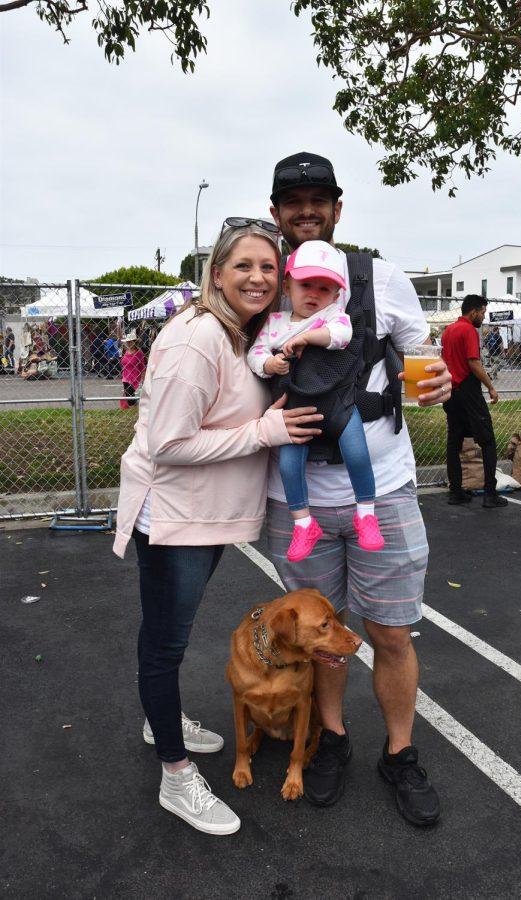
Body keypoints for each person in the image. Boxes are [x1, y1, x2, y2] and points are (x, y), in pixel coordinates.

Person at [112, 221, 323, 835]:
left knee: (167, 636)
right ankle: (175, 776)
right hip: (174, 517)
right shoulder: (196, 337)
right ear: (216, 274)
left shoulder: (240, 337)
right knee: (165, 645)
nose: (258, 278)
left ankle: (162, 720)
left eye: (268, 267)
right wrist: (265, 431)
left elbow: (226, 412)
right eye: (243, 267)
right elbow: (170, 443)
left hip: (202, 516)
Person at [265, 152, 452, 825]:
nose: (307, 209)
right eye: (294, 200)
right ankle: (332, 740)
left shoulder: (382, 278)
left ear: (339, 209)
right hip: (300, 502)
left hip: (387, 489)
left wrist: (441, 383)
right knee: (322, 638)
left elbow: (422, 363)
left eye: (320, 198)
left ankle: (399, 753)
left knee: (393, 634)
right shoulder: (267, 286)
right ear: (276, 212)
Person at [248, 239, 384, 562]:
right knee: (290, 465)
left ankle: (366, 513)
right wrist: (269, 364)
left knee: (356, 451)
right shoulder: (275, 323)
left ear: (337, 295)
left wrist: (308, 337)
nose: (313, 294)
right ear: (287, 286)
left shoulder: (333, 317)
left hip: (336, 403)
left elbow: (341, 337)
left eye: (324, 289)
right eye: (305, 284)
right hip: (297, 408)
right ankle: (303, 523)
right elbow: (255, 353)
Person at [441, 294, 508, 509]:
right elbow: (474, 362)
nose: (483, 317)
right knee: (487, 441)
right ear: (473, 312)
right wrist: (490, 386)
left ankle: (456, 492)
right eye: (483, 313)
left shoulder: (448, 331)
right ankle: (490, 494)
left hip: (451, 390)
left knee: (454, 443)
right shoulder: (469, 330)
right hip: (469, 390)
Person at [119, 332, 146, 409]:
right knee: (129, 396)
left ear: (134, 342)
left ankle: (135, 405)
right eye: (127, 342)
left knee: (129, 394)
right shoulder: (125, 351)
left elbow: (142, 367)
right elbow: (123, 363)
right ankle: (133, 407)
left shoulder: (139, 353)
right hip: (125, 377)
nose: (129, 343)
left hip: (134, 378)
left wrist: (143, 379)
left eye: (130, 341)